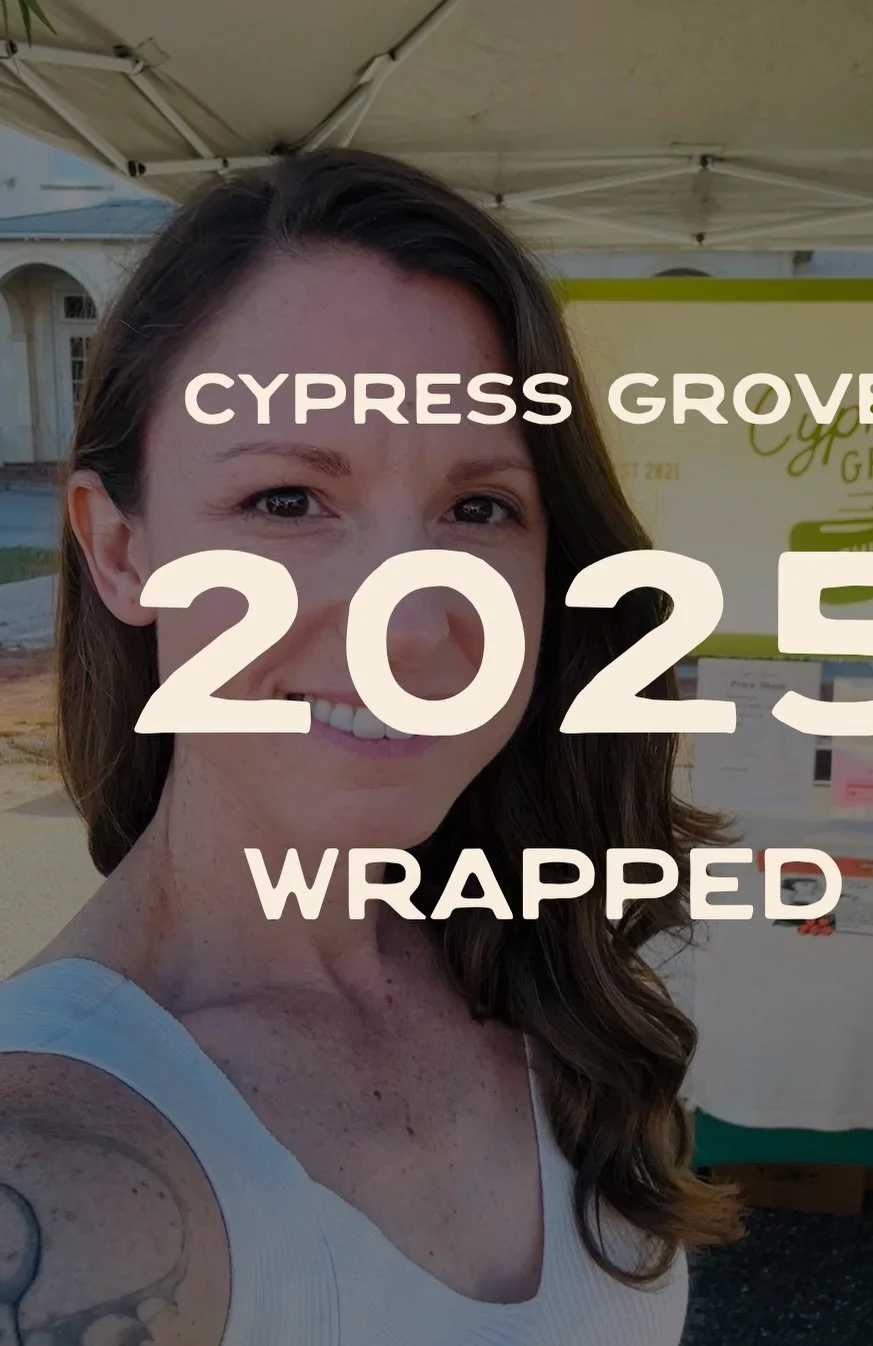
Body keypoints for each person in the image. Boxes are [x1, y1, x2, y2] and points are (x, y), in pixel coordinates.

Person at [0, 149, 738, 1346]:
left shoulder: (549, 974)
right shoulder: (58, 1179)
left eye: (479, 507)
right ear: (121, 550)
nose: (413, 625)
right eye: (287, 499)